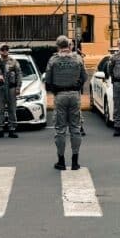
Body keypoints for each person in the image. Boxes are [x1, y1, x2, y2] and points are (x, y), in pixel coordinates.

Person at [45, 35, 87, 170]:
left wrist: (54, 90)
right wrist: (76, 86)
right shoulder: (77, 58)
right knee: (75, 128)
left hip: (60, 95)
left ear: (58, 46)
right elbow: (84, 76)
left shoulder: (54, 60)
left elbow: (48, 80)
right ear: (68, 45)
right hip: (74, 94)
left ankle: (61, 161)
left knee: (60, 129)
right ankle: (75, 161)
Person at [0, 44, 22, 139]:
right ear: (0, 51)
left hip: (11, 88)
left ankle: (12, 130)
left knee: (12, 109)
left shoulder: (14, 62)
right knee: (0, 110)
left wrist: (18, 87)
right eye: (3, 49)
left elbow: (19, 75)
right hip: (0, 88)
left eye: (6, 49)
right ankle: (0, 130)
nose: (5, 51)